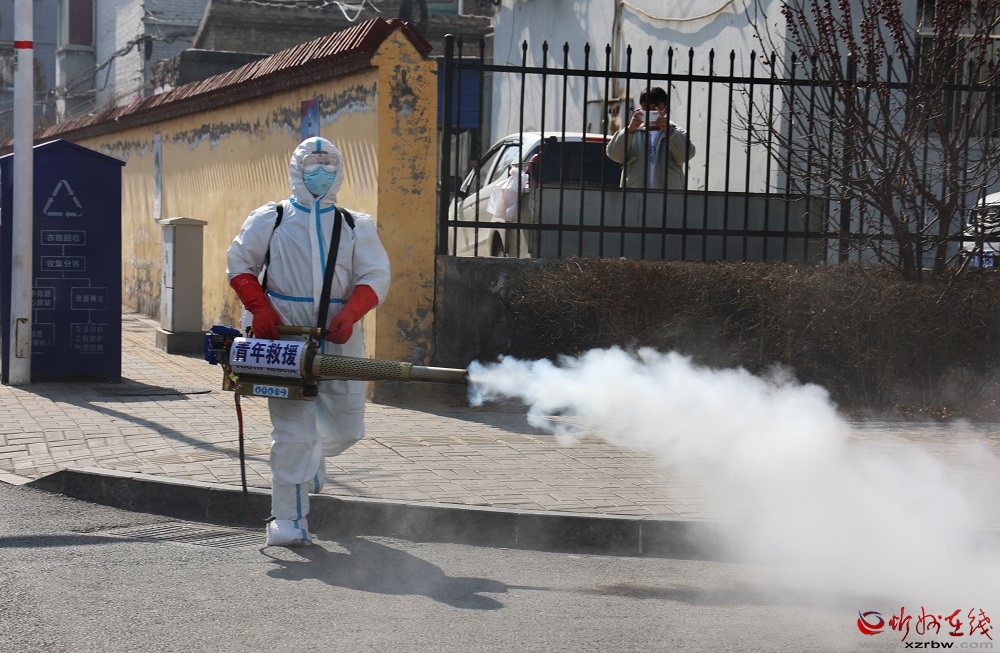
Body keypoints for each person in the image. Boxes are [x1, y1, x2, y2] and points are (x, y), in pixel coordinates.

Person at [226, 136, 391, 547]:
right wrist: (259, 308)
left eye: (328, 163)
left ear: (339, 169)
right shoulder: (273, 218)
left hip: (338, 335)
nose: (320, 171)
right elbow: (240, 263)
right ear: (297, 169)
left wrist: (351, 313)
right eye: (312, 164)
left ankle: (313, 459)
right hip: (282, 337)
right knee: (293, 432)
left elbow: (374, 275)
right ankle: (288, 520)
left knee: (345, 422)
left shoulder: (354, 225)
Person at [606, 86, 695, 190]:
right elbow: (613, 154)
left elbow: (686, 155)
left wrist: (669, 131)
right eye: (647, 108)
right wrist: (630, 129)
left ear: (665, 110)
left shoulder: (676, 133)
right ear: (640, 109)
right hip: (635, 196)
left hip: (668, 197)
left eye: (656, 108)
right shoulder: (631, 134)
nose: (651, 113)